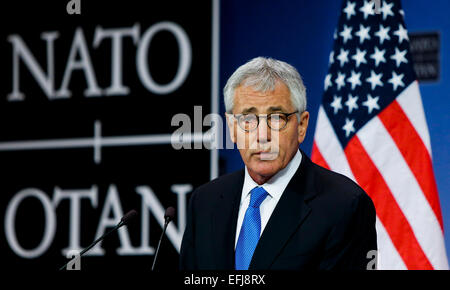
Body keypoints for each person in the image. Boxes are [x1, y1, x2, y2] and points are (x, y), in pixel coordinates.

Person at [179, 57, 377, 270]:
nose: (262, 135)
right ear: (231, 127)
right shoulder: (205, 202)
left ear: (301, 126)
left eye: (277, 118)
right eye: (247, 119)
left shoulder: (345, 206)